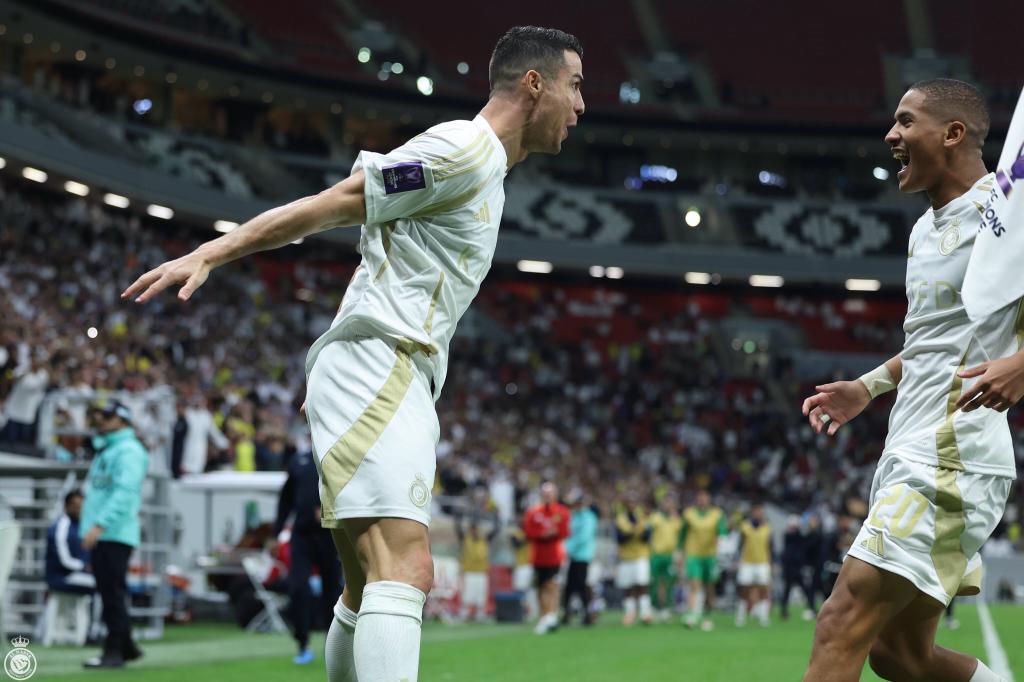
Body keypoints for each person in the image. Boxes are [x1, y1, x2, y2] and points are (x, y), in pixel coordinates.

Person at [122, 25, 584, 681]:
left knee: (367, 584)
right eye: (575, 85)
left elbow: (381, 258)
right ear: (533, 85)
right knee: (407, 568)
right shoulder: (464, 150)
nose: (582, 105)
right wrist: (212, 252)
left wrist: (340, 350)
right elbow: (343, 202)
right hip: (383, 364)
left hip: (379, 366)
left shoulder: (485, 171)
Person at [801, 79, 1023, 682]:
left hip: (953, 454)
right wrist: (868, 387)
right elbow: (934, 341)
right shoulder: (925, 231)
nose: (890, 135)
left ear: (952, 133)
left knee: (839, 622)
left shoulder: (1008, 213)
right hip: (908, 447)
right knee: (899, 655)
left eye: (905, 121)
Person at [79, 399, 149, 669]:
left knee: (111, 593)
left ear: (123, 420)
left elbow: (124, 493)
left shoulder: (128, 450)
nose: (100, 421)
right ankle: (127, 645)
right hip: (109, 531)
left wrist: (99, 525)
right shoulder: (110, 448)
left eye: (107, 417)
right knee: (110, 591)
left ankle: (114, 651)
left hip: (113, 532)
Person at [274, 448, 342, 665]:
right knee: (297, 587)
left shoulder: (339, 455)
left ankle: (334, 647)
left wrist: (328, 509)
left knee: (332, 592)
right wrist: (276, 532)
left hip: (329, 534)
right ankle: (302, 644)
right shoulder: (299, 460)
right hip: (302, 535)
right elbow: (286, 498)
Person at [523, 481, 571, 635]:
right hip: (538, 556)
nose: (548, 496)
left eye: (551, 493)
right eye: (545, 494)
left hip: (555, 555)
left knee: (552, 585)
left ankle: (550, 616)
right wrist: (542, 534)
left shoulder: (562, 511)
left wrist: (553, 533)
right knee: (541, 587)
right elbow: (528, 532)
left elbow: (565, 532)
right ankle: (545, 617)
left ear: (555, 495)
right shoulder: (533, 512)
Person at [680, 489, 727, 630]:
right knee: (694, 585)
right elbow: (682, 535)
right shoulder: (688, 514)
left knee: (709, 587)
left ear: (709, 499)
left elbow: (723, 533)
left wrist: (721, 546)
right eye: (700, 498)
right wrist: (679, 553)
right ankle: (693, 614)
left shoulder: (716, 514)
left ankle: (708, 615)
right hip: (694, 555)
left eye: (705, 498)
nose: (702, 500)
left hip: (710, 556)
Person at [44, 489, 95, 594]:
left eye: (81, 506)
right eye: (75, 506)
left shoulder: (84, 526)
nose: (79, 509)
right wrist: (84, 566)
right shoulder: (60, 526)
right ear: (66, 506)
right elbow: (63, 559)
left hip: (81, 575)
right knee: (104, 584)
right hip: (61, 576)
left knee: (108, 580)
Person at [561, 490, 598, 626]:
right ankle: (567, 613)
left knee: (581, 586)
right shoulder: (574, 516)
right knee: (570, 586)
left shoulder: (588, 517)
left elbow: (583, 537)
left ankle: (588, 614)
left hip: (583, 556)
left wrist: (566, 549)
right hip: (574, 556)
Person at [615, 495, 652, 626]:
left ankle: (645, 613)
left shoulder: (643, 518)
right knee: (627, 587)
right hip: (626, 557)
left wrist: (632, 532)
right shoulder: (621, 519)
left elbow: (646, 537)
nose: (632, 505)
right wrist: (635, 531)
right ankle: (630, 613)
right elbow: (620, 538)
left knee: (642, 585)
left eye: (634, 502)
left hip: (641, 556)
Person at [454, 517, 498, 622]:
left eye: (476, 529)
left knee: (481, 594)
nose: (474, 532)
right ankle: (464, 612)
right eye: (472, 529)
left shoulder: (484, 539)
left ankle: (480, 613)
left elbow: (496, 531)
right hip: (469, 571)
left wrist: (495, 516)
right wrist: (458, 518)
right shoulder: (465, 539)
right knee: (467, 594)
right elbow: (458, 530)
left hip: (481, 572)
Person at [735, 504, 772, 627]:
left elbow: (770, 546)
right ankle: (741, 615)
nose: (758, 513)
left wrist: (771, 562)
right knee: (745, 589)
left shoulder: (767, 526)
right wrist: (737, 560)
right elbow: (740, 544)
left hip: (762, 562)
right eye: (756, 511)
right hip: (747, 562)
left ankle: (763, 616)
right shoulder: (745, 526)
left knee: (763, 588)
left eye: (760, 511)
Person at [648, 494, 682, 622]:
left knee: (668, 582)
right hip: (656, 554)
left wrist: (679, 554)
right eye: (666, 503)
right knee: (655, 582)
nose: (668, 506)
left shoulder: (676, 520)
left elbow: (679, 538)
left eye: (671, 503)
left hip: (670, 555)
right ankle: (654, 607)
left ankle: (666, 608)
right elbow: (648, 535)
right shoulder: (655, 518)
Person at [780, 515, 815, 621]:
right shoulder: (789, 536)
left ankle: (812, 607)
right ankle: (784, 611)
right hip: (790, 567)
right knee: (788, 589)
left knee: (804, 589)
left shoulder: (798, 536)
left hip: (797, 567)